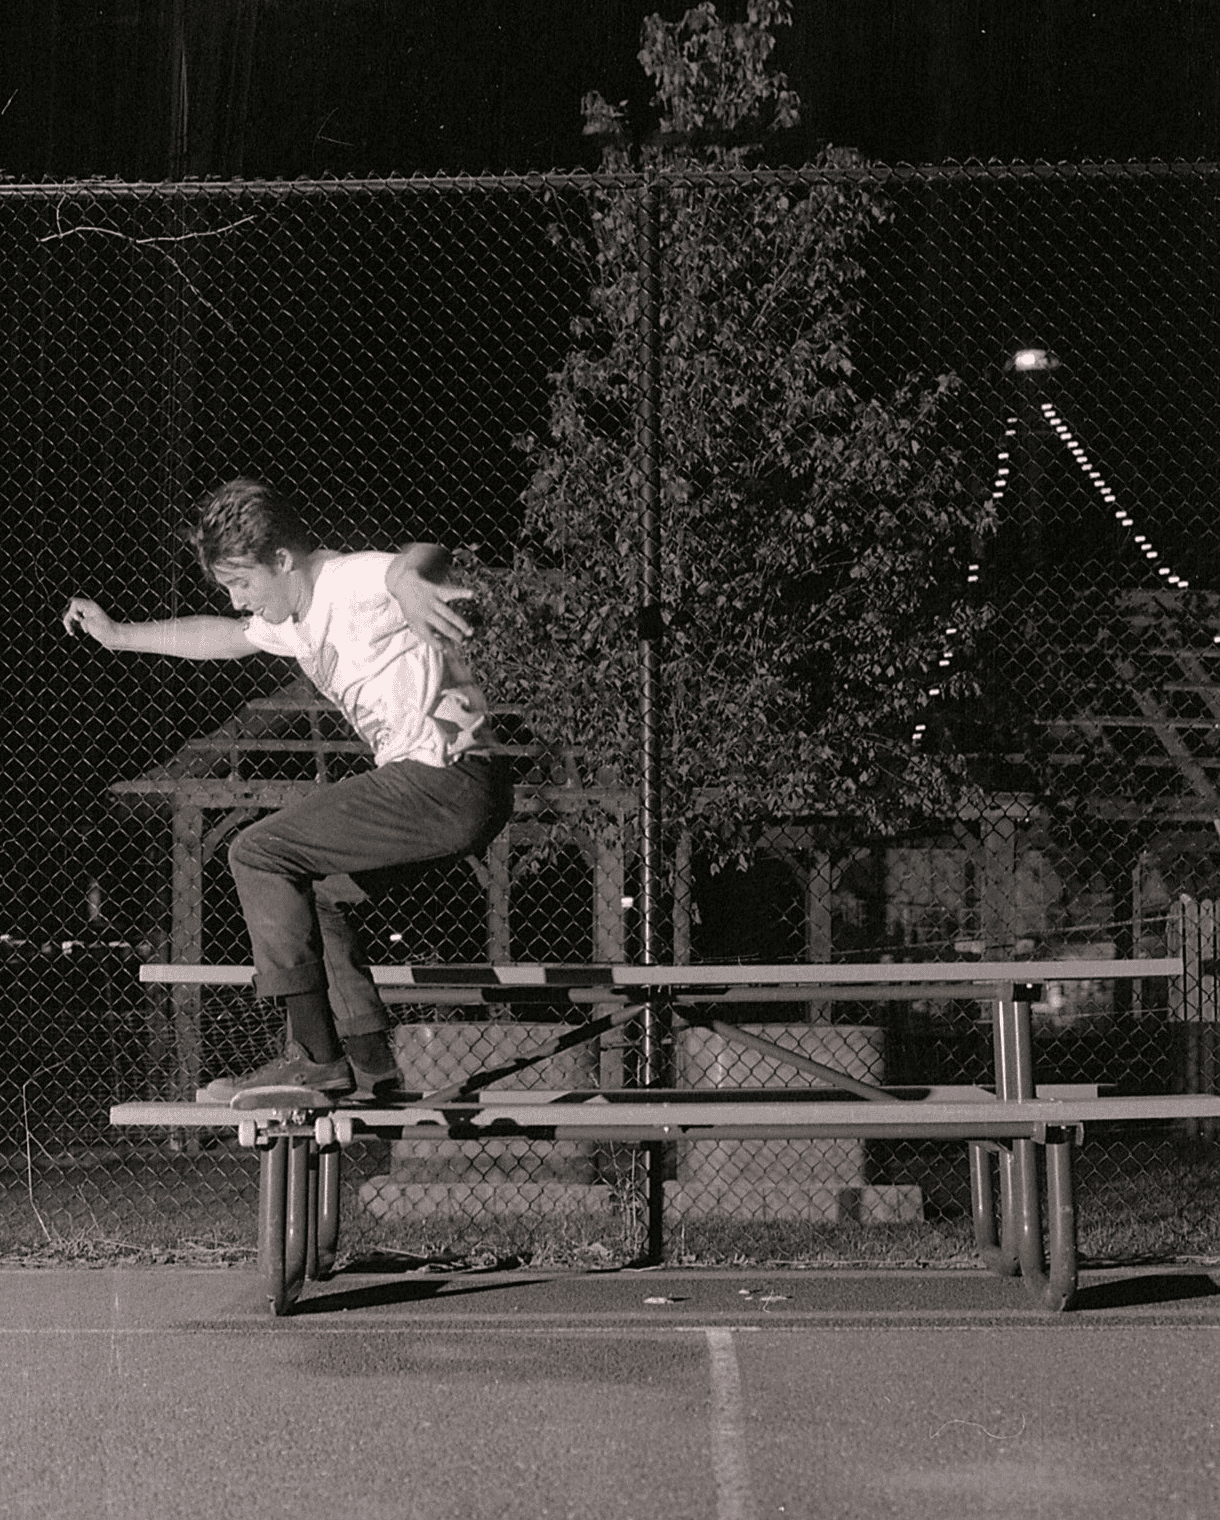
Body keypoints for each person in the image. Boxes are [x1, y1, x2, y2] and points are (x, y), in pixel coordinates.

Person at [63, 477, 513, 1103]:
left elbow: (419, 556)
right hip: (455, 787)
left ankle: (313, 1059)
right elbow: (218, 636)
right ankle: (370, 1064)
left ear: (282, 560)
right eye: (228, 589)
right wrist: (119, 634)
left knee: (258, 852)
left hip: (444, 775)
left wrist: (410, 583)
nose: (240, 600)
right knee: (321, 893)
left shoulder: (345, 583)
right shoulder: (294, 620)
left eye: (243, 583)